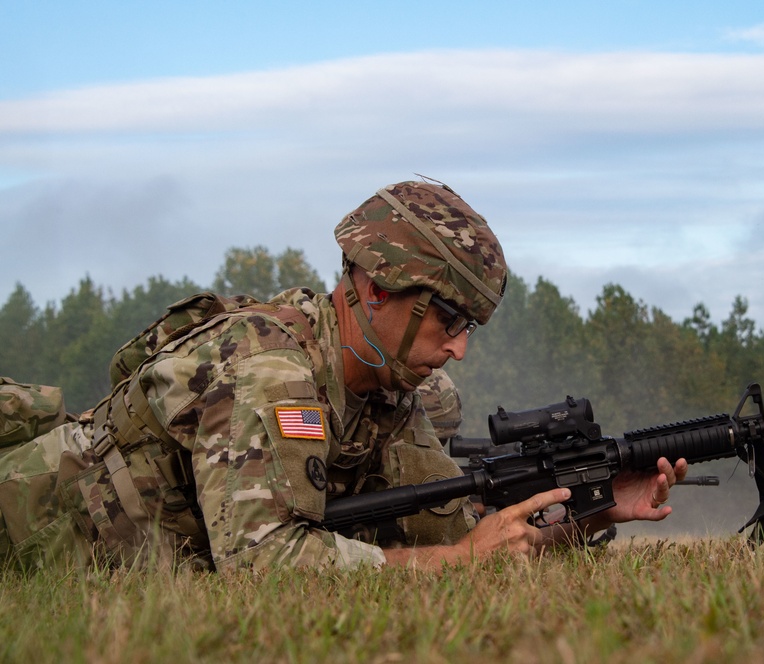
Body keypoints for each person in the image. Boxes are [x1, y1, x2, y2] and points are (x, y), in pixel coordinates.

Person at [0, 180, 687, 573]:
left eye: (470, 326)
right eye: (448, 319)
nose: (459, 349)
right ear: (379, 289)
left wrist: (585, 512)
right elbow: (264, 568)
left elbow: (447, 534)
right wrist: (460, 561)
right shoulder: (269, 374)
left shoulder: (390, 390)